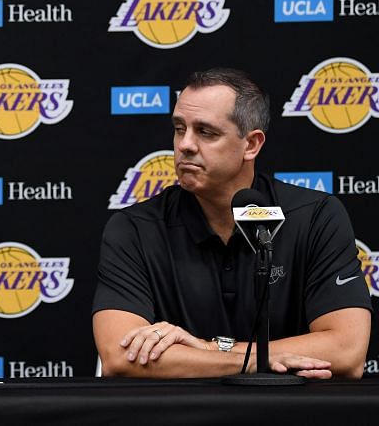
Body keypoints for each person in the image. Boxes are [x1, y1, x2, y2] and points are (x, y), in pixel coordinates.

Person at [93, 68, 371, 379]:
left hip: (288, 417)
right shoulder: (134, 229)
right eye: (179, 128)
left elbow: (347, 352)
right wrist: (254, 362)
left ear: (251, 145)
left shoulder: (316, 217)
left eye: (206, 132)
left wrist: (210, 349)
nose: (184, 145)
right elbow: (120, 356)